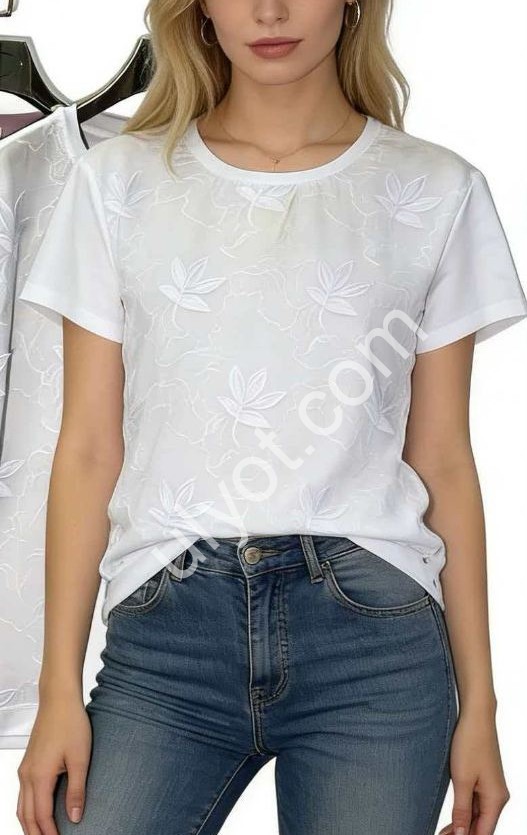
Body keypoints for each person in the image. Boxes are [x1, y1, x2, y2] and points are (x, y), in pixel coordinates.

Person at [15, 1, 523, 833]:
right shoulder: (116, 184)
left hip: (374, 641)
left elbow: (442, 460)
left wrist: (481, 708)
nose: (269, 11)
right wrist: (57, 692)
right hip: (166, 640)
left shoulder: (435, 189)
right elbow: (87, 451)